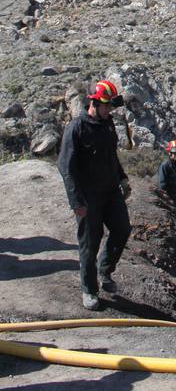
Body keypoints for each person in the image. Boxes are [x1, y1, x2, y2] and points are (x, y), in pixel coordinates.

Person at [58, 79, 131, 311]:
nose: (109, 110)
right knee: (89, 243)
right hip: (88, 196)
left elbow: (111, 155)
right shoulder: (77, 128)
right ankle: (89, 290)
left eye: (110, 106)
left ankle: (105, 270)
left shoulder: (107, 123)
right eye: (106, 106)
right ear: (94, 102)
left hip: (110, 191)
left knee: (122, 229)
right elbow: (65, 167)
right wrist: (76, 200)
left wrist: (122, 177)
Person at [157, 140, 176, 210]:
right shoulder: (165, 166)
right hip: (168, 202)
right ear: (170, 153)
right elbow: (162, 185)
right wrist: (167, 200)